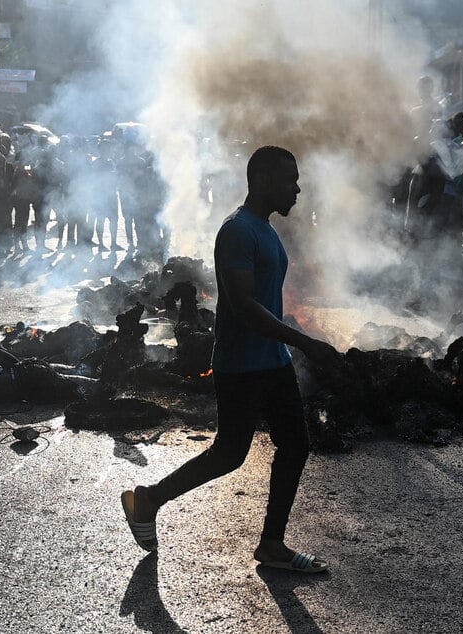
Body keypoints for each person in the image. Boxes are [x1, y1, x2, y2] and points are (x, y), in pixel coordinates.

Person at [121, 146, 342, 572]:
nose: (297, 189)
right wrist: (306, 343)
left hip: (271, 361)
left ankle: (272, 545)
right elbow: (243, 306)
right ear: (261, 180)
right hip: (241, 364)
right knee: (229, 453)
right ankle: (148, 499)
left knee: (295, 444)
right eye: (288, 179)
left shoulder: (265, 229)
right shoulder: (238, 231)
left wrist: (289, 347)